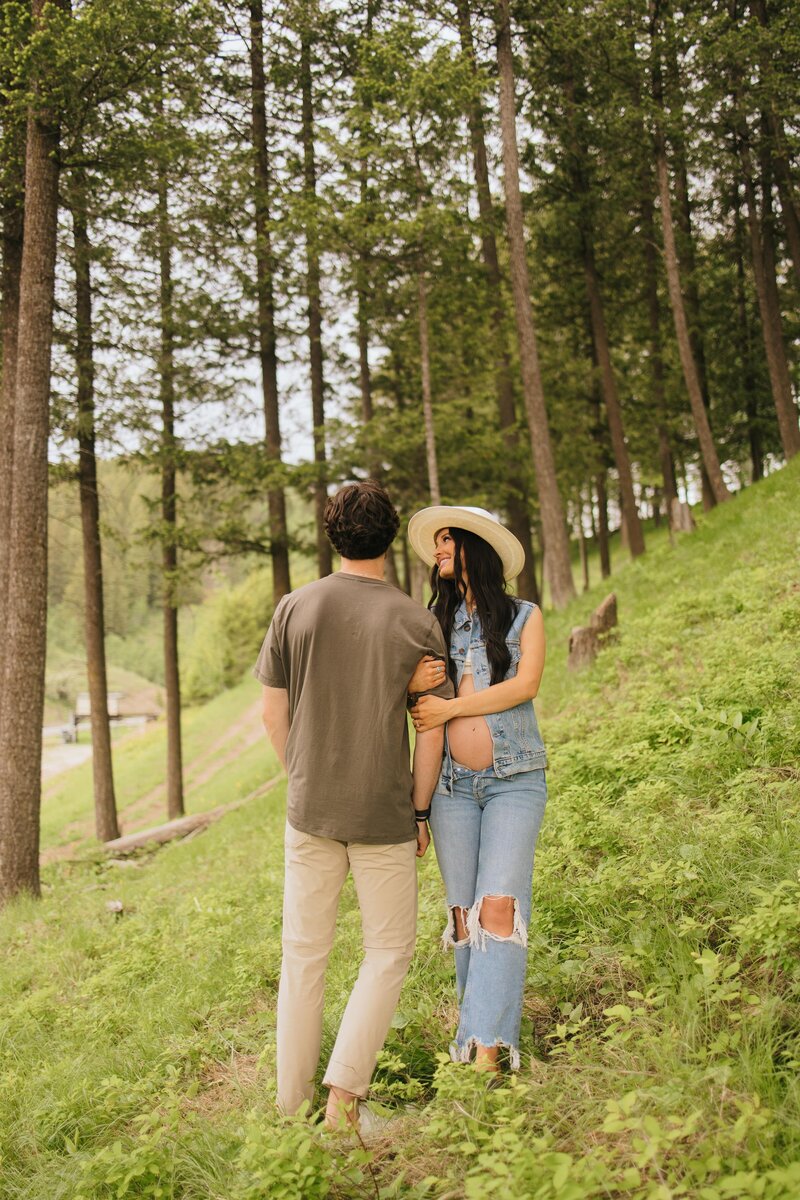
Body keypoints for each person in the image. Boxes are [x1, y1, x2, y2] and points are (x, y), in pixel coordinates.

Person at [254, 481, 453, 1130]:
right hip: (382, 814)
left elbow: (271, 709)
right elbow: (432, 728)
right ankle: (343, 1103)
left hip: (310, 809)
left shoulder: (295, 608)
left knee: (303, 954)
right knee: (388, 952)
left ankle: (289, 1107)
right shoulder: (415, 620)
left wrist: (304, 776)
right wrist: (420, 810)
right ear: (391, 538)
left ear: (332, 535)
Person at [406, 505, 547, 1075]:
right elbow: (424, 721)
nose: (437, 551)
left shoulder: (523, 616)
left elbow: (526, 684)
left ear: (474, 547)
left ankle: (483, 1051)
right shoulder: (430, 625)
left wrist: (453, 705)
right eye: (435, 543)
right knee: (464, 916)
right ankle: (477, 1046)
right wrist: (418, 811)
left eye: (446, 541)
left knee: (498, 908)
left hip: (514, 780)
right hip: (451, 791)